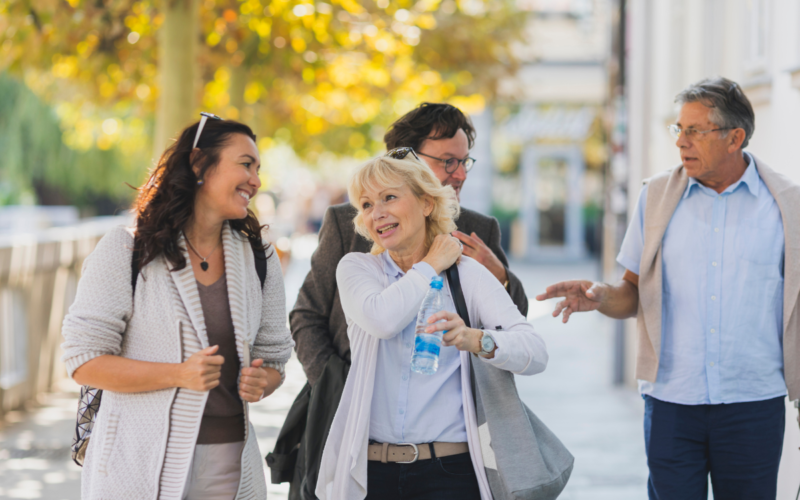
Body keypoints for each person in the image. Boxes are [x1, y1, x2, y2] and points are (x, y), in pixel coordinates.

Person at [536, 77, 800, 500]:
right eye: (679, 129)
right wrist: (600, 295)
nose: (682, 142)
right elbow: (632, 293)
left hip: (753, 403)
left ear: (736, 138)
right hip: (672, 404)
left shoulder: (787, 206)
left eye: (695, 130)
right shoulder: (656, 197)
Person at [273, 103, 529, 499]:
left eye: (464, 162)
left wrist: (501, 276)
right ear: (405, 160)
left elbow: (513, 326)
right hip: (352, 426)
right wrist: (339, 387)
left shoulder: (480, 228)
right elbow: (307, 316)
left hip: (450, 448)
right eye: (447, 161)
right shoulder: (348, 224)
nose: (459, 173)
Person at [61, 115, 294, 499]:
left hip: (230, 465)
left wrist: (263, 381)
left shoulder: (259, 255)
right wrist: (178, 374)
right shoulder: (126, 250)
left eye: (258, 168)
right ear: (200, 163)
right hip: (135, 462)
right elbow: (83, 360)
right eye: (245, 164)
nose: (256, 180)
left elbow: (274, 359)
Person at [315, 154, 547, 500]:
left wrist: (477, 339)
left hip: (450, 474)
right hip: (371, 472)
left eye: (389, 197)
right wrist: (431, 263)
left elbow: (536, 352)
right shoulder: (358, 268)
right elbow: (382, 320)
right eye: (366, 204)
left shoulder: (467, 275)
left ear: (426, 203)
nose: (376, 213)